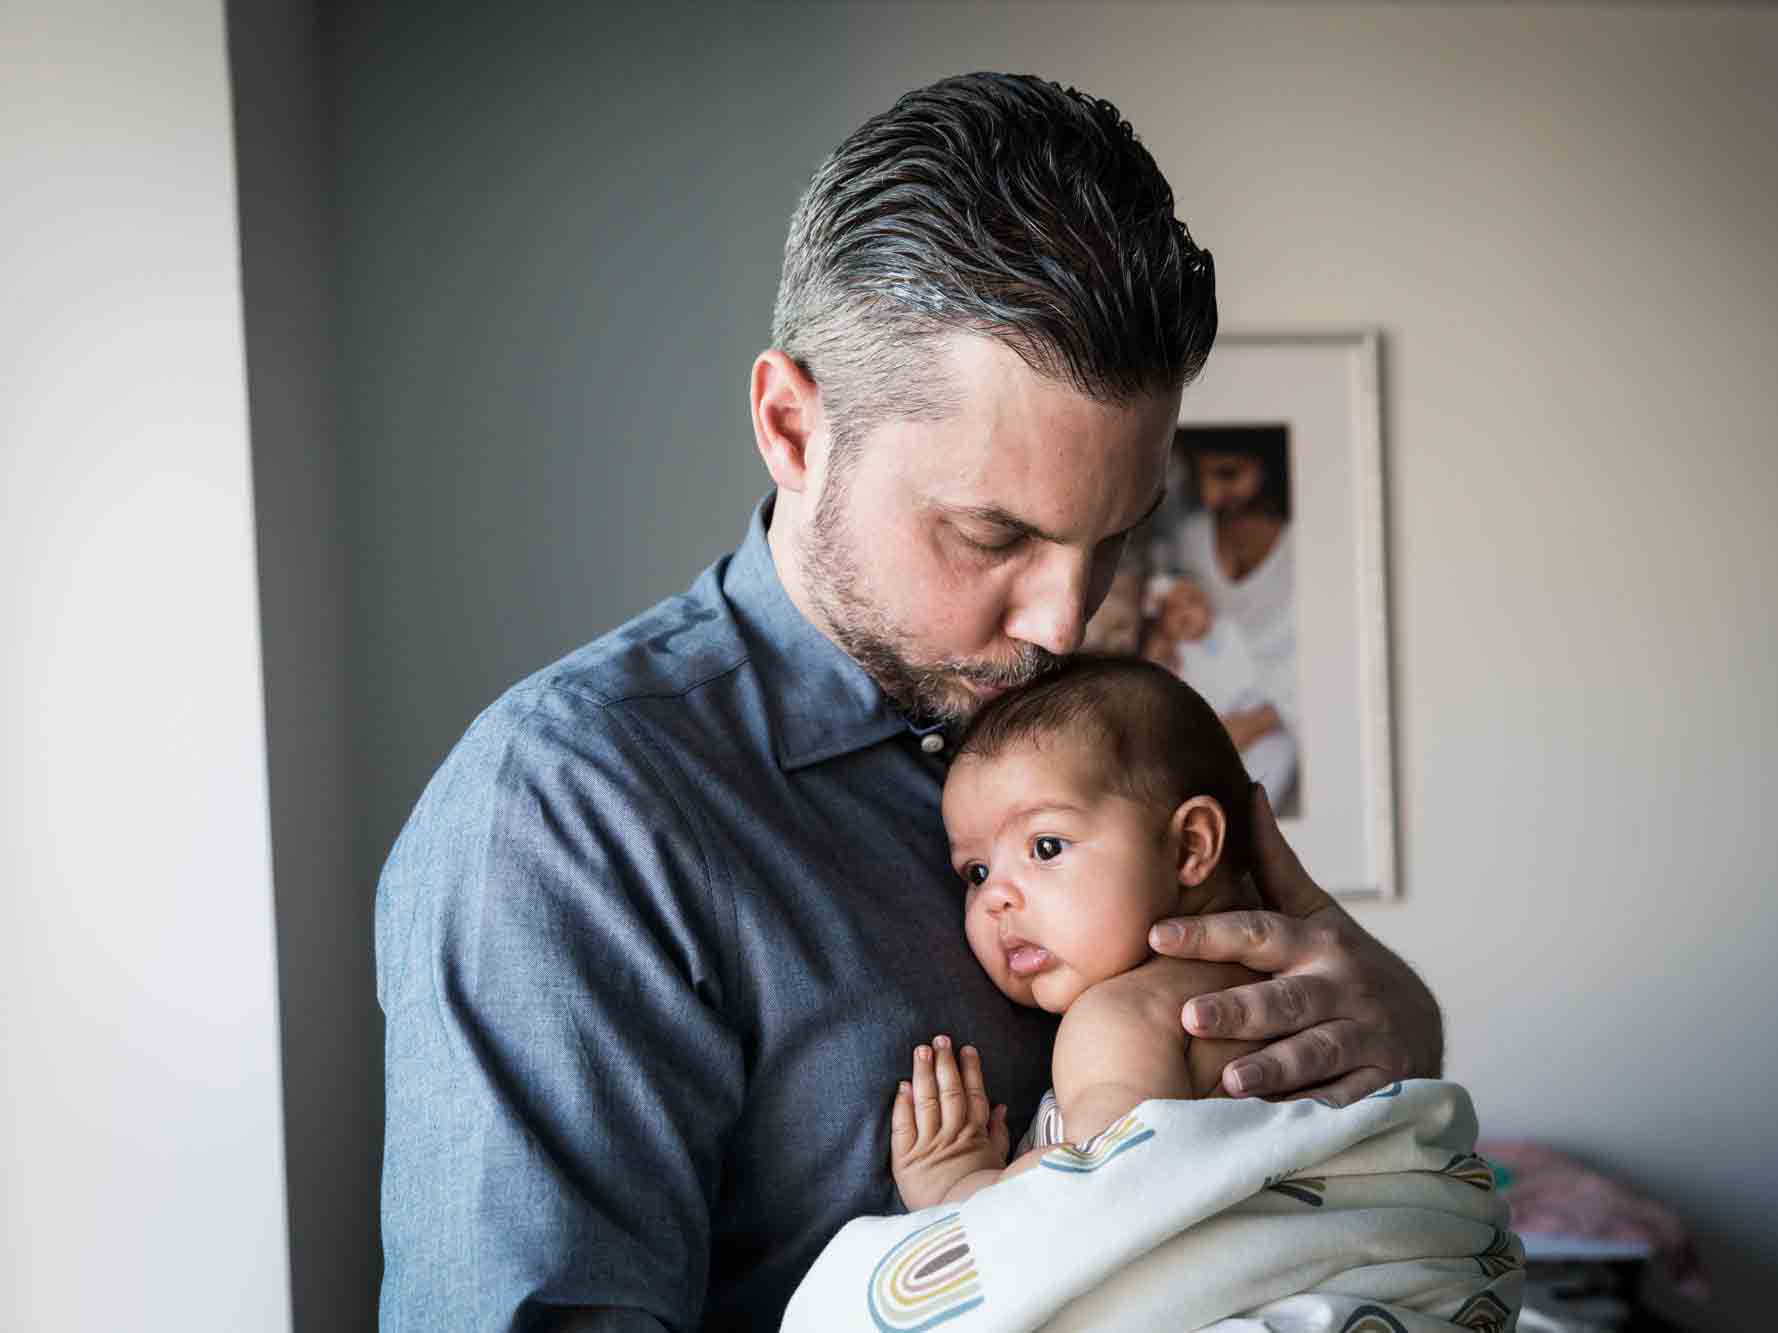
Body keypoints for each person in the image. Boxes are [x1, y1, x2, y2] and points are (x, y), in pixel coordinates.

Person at [375, 72, 1442, 1330]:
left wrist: (1386, 1039)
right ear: (790, 426)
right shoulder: (565, 814)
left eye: (1114, 542)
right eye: (992, 533)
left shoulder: (1088, 738)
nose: (1064, 619)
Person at [888, 657, 1269, 1209]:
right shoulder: (1298, 982)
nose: (997, 897)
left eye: (1045, 847)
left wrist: (956, 1186)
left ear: (1190, 846)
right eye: (976, 872)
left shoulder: (1116, 1019)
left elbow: (1097, 1203)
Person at [1155, 427, 1302, 812]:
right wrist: (1163, 631)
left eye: (1228, 474)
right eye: (1200, 475)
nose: (1209, 495)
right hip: (1207, 706)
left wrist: (1253, 725)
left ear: (1269, 467)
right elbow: (1167, 599)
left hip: (1277, 721)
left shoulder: (1305, 547)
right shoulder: (1190, 537)